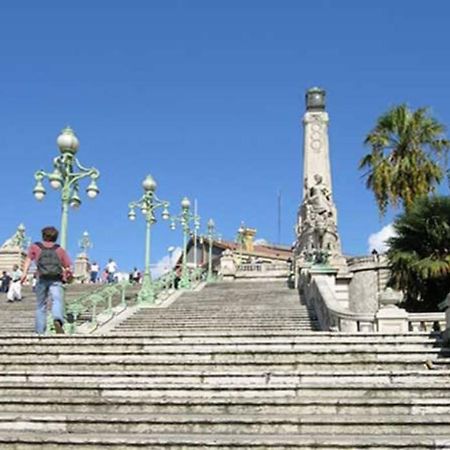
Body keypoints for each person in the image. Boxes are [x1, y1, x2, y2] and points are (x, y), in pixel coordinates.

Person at [21, 226, 72, 335]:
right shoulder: (59, 249)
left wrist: (24, 273)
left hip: (42, 278)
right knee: (57, 300)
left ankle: (40, 331)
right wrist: (68, 275)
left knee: (41, 305)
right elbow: (68, 266)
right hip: (56, 279)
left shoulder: (35, 247)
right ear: (56, 237)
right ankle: (57, 318)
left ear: (43, 235)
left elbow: (28, 259)